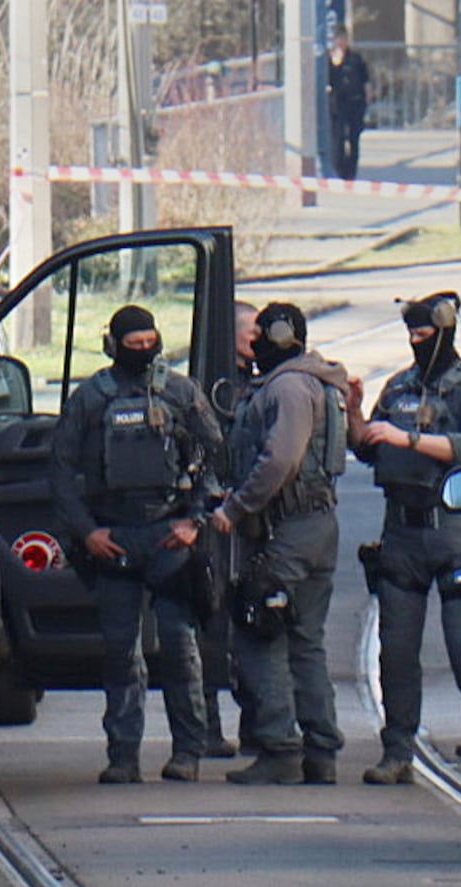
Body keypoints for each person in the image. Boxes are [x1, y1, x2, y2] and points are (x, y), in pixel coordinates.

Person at [49, 305, 225, 784]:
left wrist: (194, 521)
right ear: (113, 345)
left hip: (171, 535)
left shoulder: (181, 392)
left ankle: (188, 750)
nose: (144, 352)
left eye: (151, 342)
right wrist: (88, 532)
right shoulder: (90, 398)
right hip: (114, 538)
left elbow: (216, 459)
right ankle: (123, 756)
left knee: (179, 648)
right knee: (121, 653)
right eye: (134, 345)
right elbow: (61, 473)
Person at [347, 293, 461, 786]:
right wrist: (355, 416)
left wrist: (407, 439)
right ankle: (397, 749)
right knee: (395, 647)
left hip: (454, 526)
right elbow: (368, 446)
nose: (418, 344)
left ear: (445, 332)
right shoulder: (398, 387)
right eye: (411, 337)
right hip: (402, 529)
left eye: (424, 336)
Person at [212, 302, 353, 785]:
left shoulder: (289, 386)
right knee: (305, 640)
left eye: (258, 335)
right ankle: (320, 750)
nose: (252, 345)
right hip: (315, 525)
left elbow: (280, 459)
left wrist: (234, 509)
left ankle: (280, 747)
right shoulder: (321, 383)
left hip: (286, 529)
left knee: (258, 628)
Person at [202, 300, 263, 759]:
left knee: (256, 619)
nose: (260, 340)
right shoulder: (216, 388)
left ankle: (257, 722)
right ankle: (207, 726)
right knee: (211, 621)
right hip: (216, 518)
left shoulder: (267, 384)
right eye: (251, 333)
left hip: (252, 519)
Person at [326, 25, 371, 181]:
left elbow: (366, 81)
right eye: (338, 39)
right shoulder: (329, 60)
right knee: (337, 139)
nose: (341, 42)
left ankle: (351, 172)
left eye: (343, 38)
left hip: (355, 102)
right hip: (338, 103)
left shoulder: (356, 58)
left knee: (354, 138)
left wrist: (367, 100)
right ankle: (339, 169)